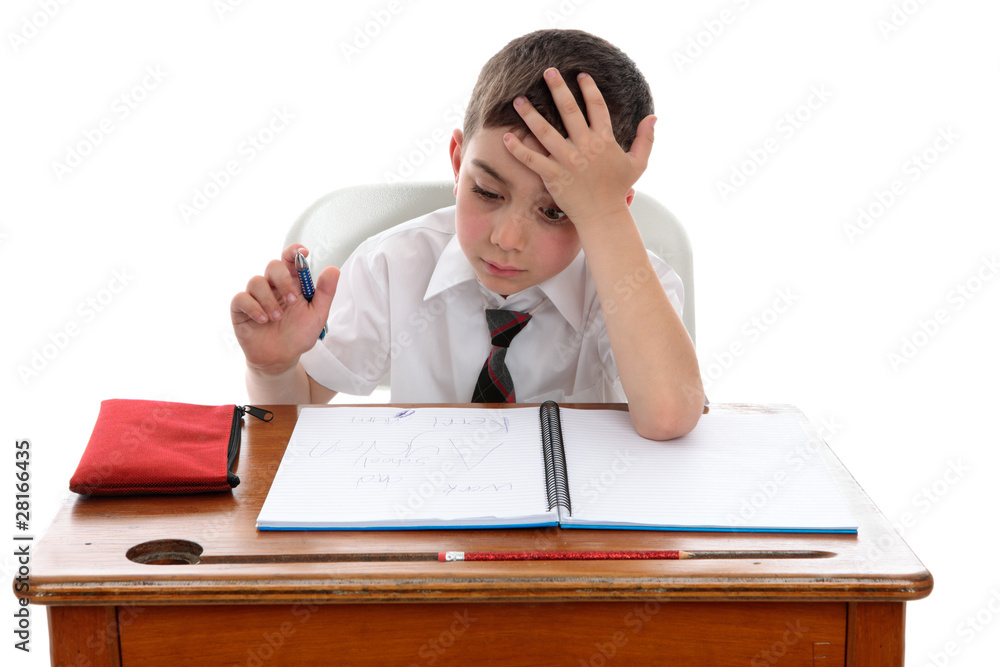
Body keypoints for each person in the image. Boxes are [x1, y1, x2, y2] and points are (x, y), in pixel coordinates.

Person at [230, 29, 704, 440]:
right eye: (487, 192)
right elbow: (300, 406)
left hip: (572, 532)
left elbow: (668, 415)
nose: (508, 238)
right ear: (458, 163)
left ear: (613, 209)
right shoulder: (394, 265)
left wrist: (602, 215)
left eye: (557, 212)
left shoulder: (632, 284)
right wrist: (271, 369)